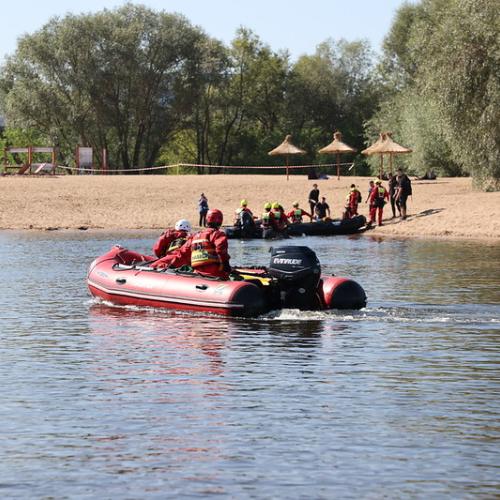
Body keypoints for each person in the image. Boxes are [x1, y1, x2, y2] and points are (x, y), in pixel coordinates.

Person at [152, 209, 231, 279]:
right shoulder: (218, 234)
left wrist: (170, 266)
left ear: (207, 220)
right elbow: (221, 250)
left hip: (198, 274)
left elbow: (181, 255)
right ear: (220, 221)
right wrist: (227, 267)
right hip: (215, 275)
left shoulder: (195, 236)